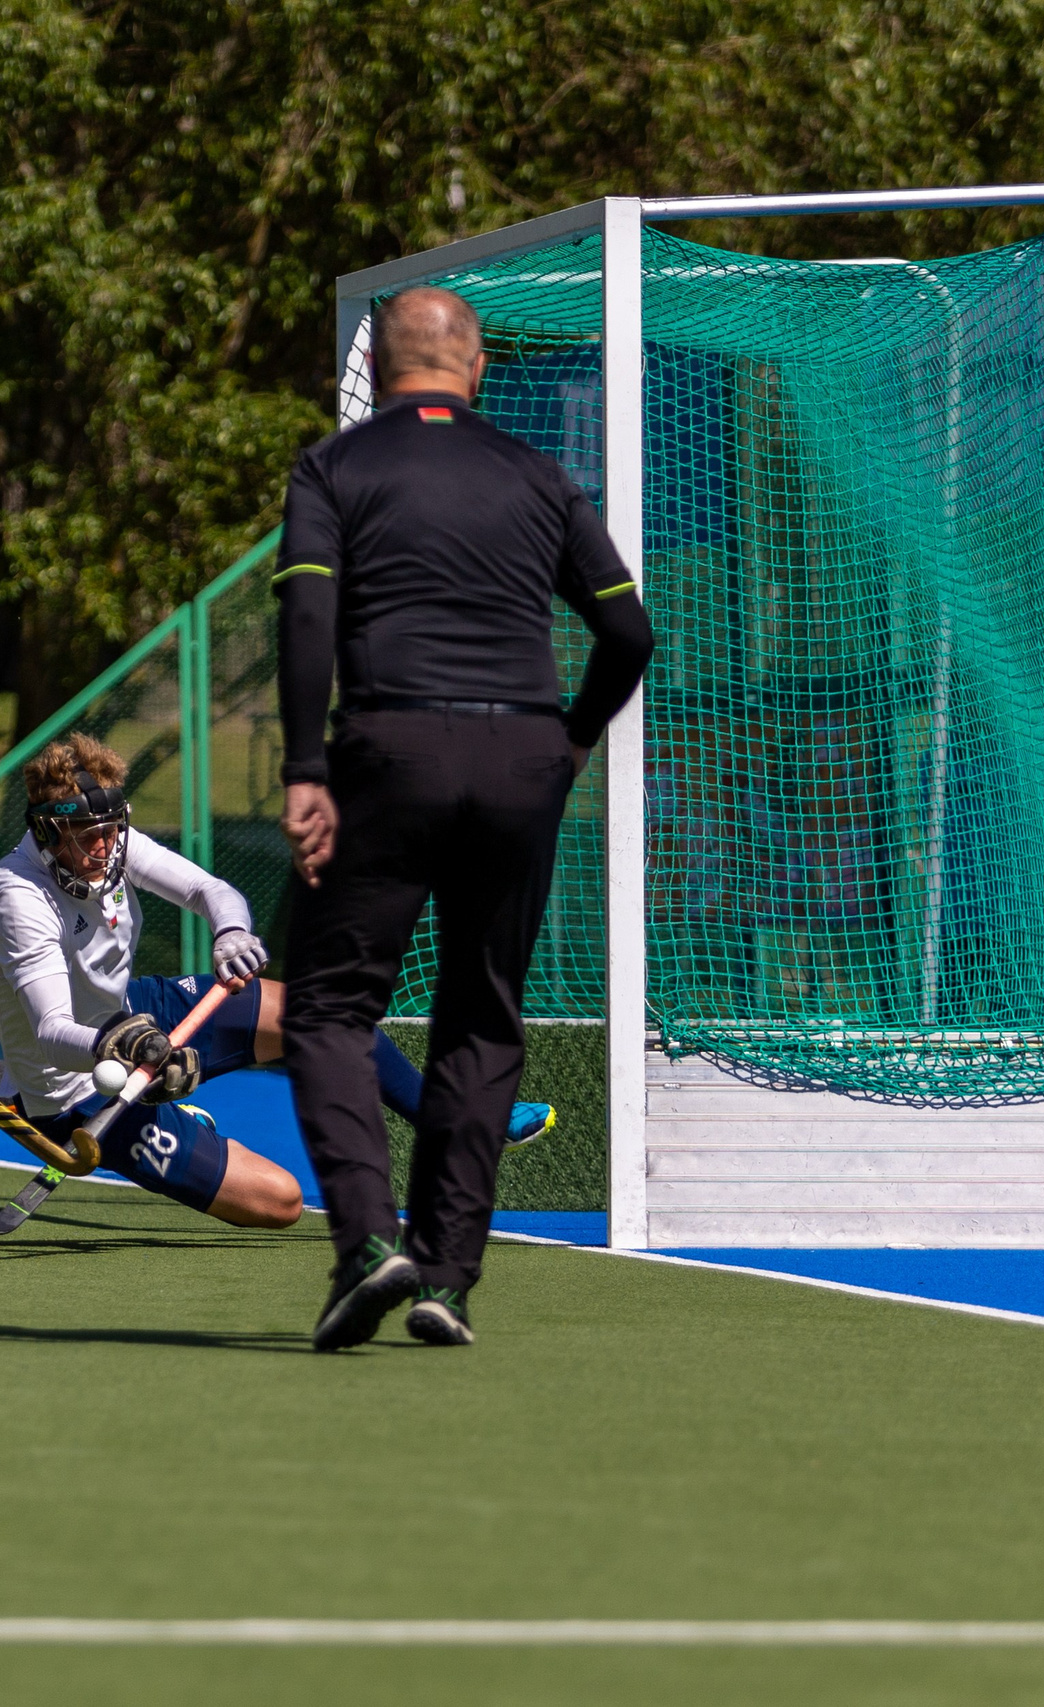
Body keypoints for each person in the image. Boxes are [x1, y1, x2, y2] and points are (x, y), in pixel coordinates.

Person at [275, 286, 653, 1352]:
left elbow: (308, 614)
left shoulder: (333, 468)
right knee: (481, 1018)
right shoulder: (538, 475)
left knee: (330, 1010)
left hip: (391, 747)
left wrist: (307, 767)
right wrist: (571, 737)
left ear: (375, 373)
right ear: (475, 367)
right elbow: (627, 632)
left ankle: (364, 1243)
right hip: (523, 756)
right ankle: (446, 1279)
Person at [0, 735, 553, 1227]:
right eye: (86, 835)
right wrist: (129, 1049)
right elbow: (53, 1031)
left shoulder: (107, 843)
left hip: (133, 1012)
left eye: (110, 830)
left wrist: (230, 932)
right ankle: (182, 1120)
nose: (104, 847)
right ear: (50, 832)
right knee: (281, 1203)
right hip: (77, 1086)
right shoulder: (18, 897)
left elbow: (211, 891)